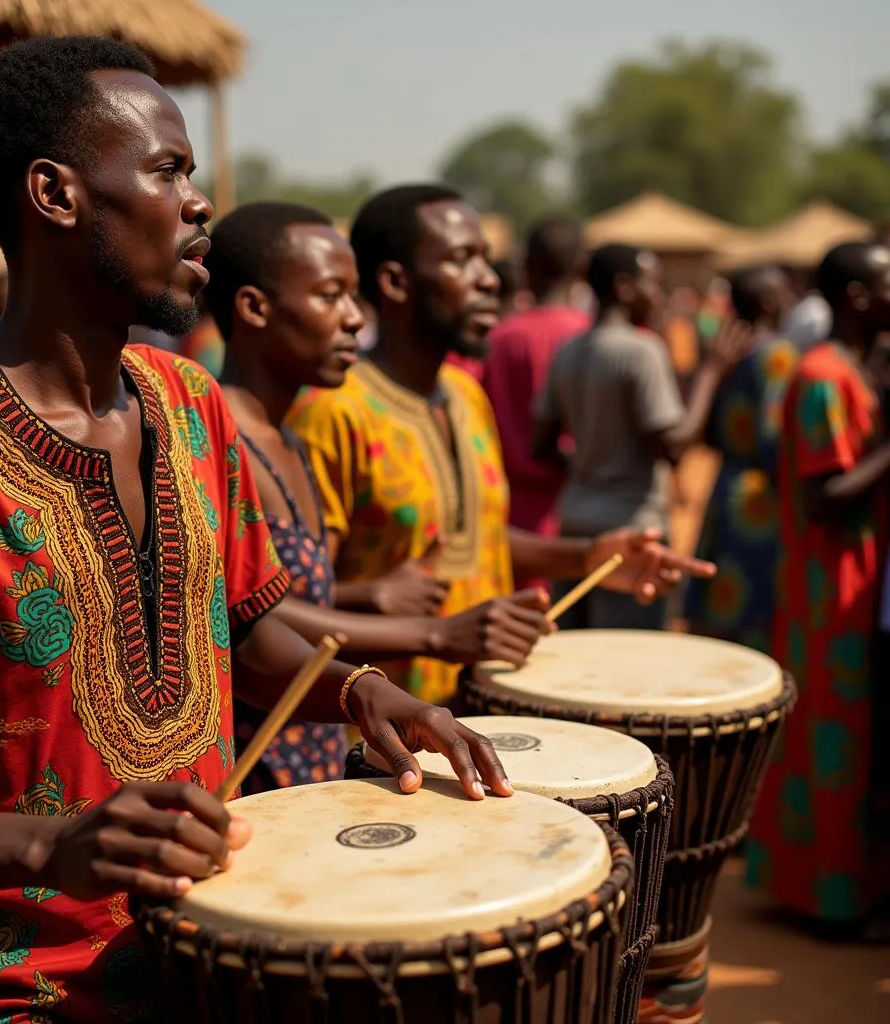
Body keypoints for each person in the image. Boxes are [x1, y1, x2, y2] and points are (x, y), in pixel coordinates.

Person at [0, 39, 511, 1023]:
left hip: (219, 953)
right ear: (56, 193)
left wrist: (360, 689)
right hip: (11, 999)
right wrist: (45, 848)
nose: (198, 201)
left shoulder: (190, 403)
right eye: (167, 171)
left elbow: (246, 630)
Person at [288, 185, 716, 706]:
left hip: (478, 715)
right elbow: (282, 610)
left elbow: (479, 540)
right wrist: (376, 603)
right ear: (396, 282)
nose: (488, 280)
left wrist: (589, 557)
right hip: (376, 743)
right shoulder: (331, 414)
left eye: (486, 261)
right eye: (461, 260)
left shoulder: (467, 395)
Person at [208, 201, 554, 792]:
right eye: (330, 296)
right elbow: (235, 613)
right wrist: (434, 635)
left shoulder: (286, 433)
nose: (352, 319)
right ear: (255, 308)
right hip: (262, 753)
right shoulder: (222, 436)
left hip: (327, 732)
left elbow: (290, 588)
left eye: (352, 297)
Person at [745, 241, 890, 937]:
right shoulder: (823, 374)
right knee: (837, 746)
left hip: (857, 581)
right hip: (831, 590)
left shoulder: (857, 368)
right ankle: (834, 903)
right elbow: (826, 494)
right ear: (859, 297)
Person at [532, 243, 749, 631]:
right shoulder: (641, 350)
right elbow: (675, 445)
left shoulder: (568, 351)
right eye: (652, 283)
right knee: (626, 661)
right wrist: (711, 374)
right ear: (624, 287)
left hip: (575, 522)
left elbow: (541, 444)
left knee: (577, 658)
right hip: (633, 529)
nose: (658, 295)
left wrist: (590, 465)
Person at [683, 265, 798, 653]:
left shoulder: (728, 352)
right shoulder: (778, 356)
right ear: (768, 302)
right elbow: (775, 440)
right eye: (783, 294)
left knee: (720, 615)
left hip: (726, 489)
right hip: (759, 502)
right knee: (754, 625)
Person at [480, 217, 590, 578]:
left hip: (509, 518)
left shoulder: (499, 339)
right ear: (580, 267)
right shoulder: (587, 338)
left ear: (525, 265)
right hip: (577, 512)